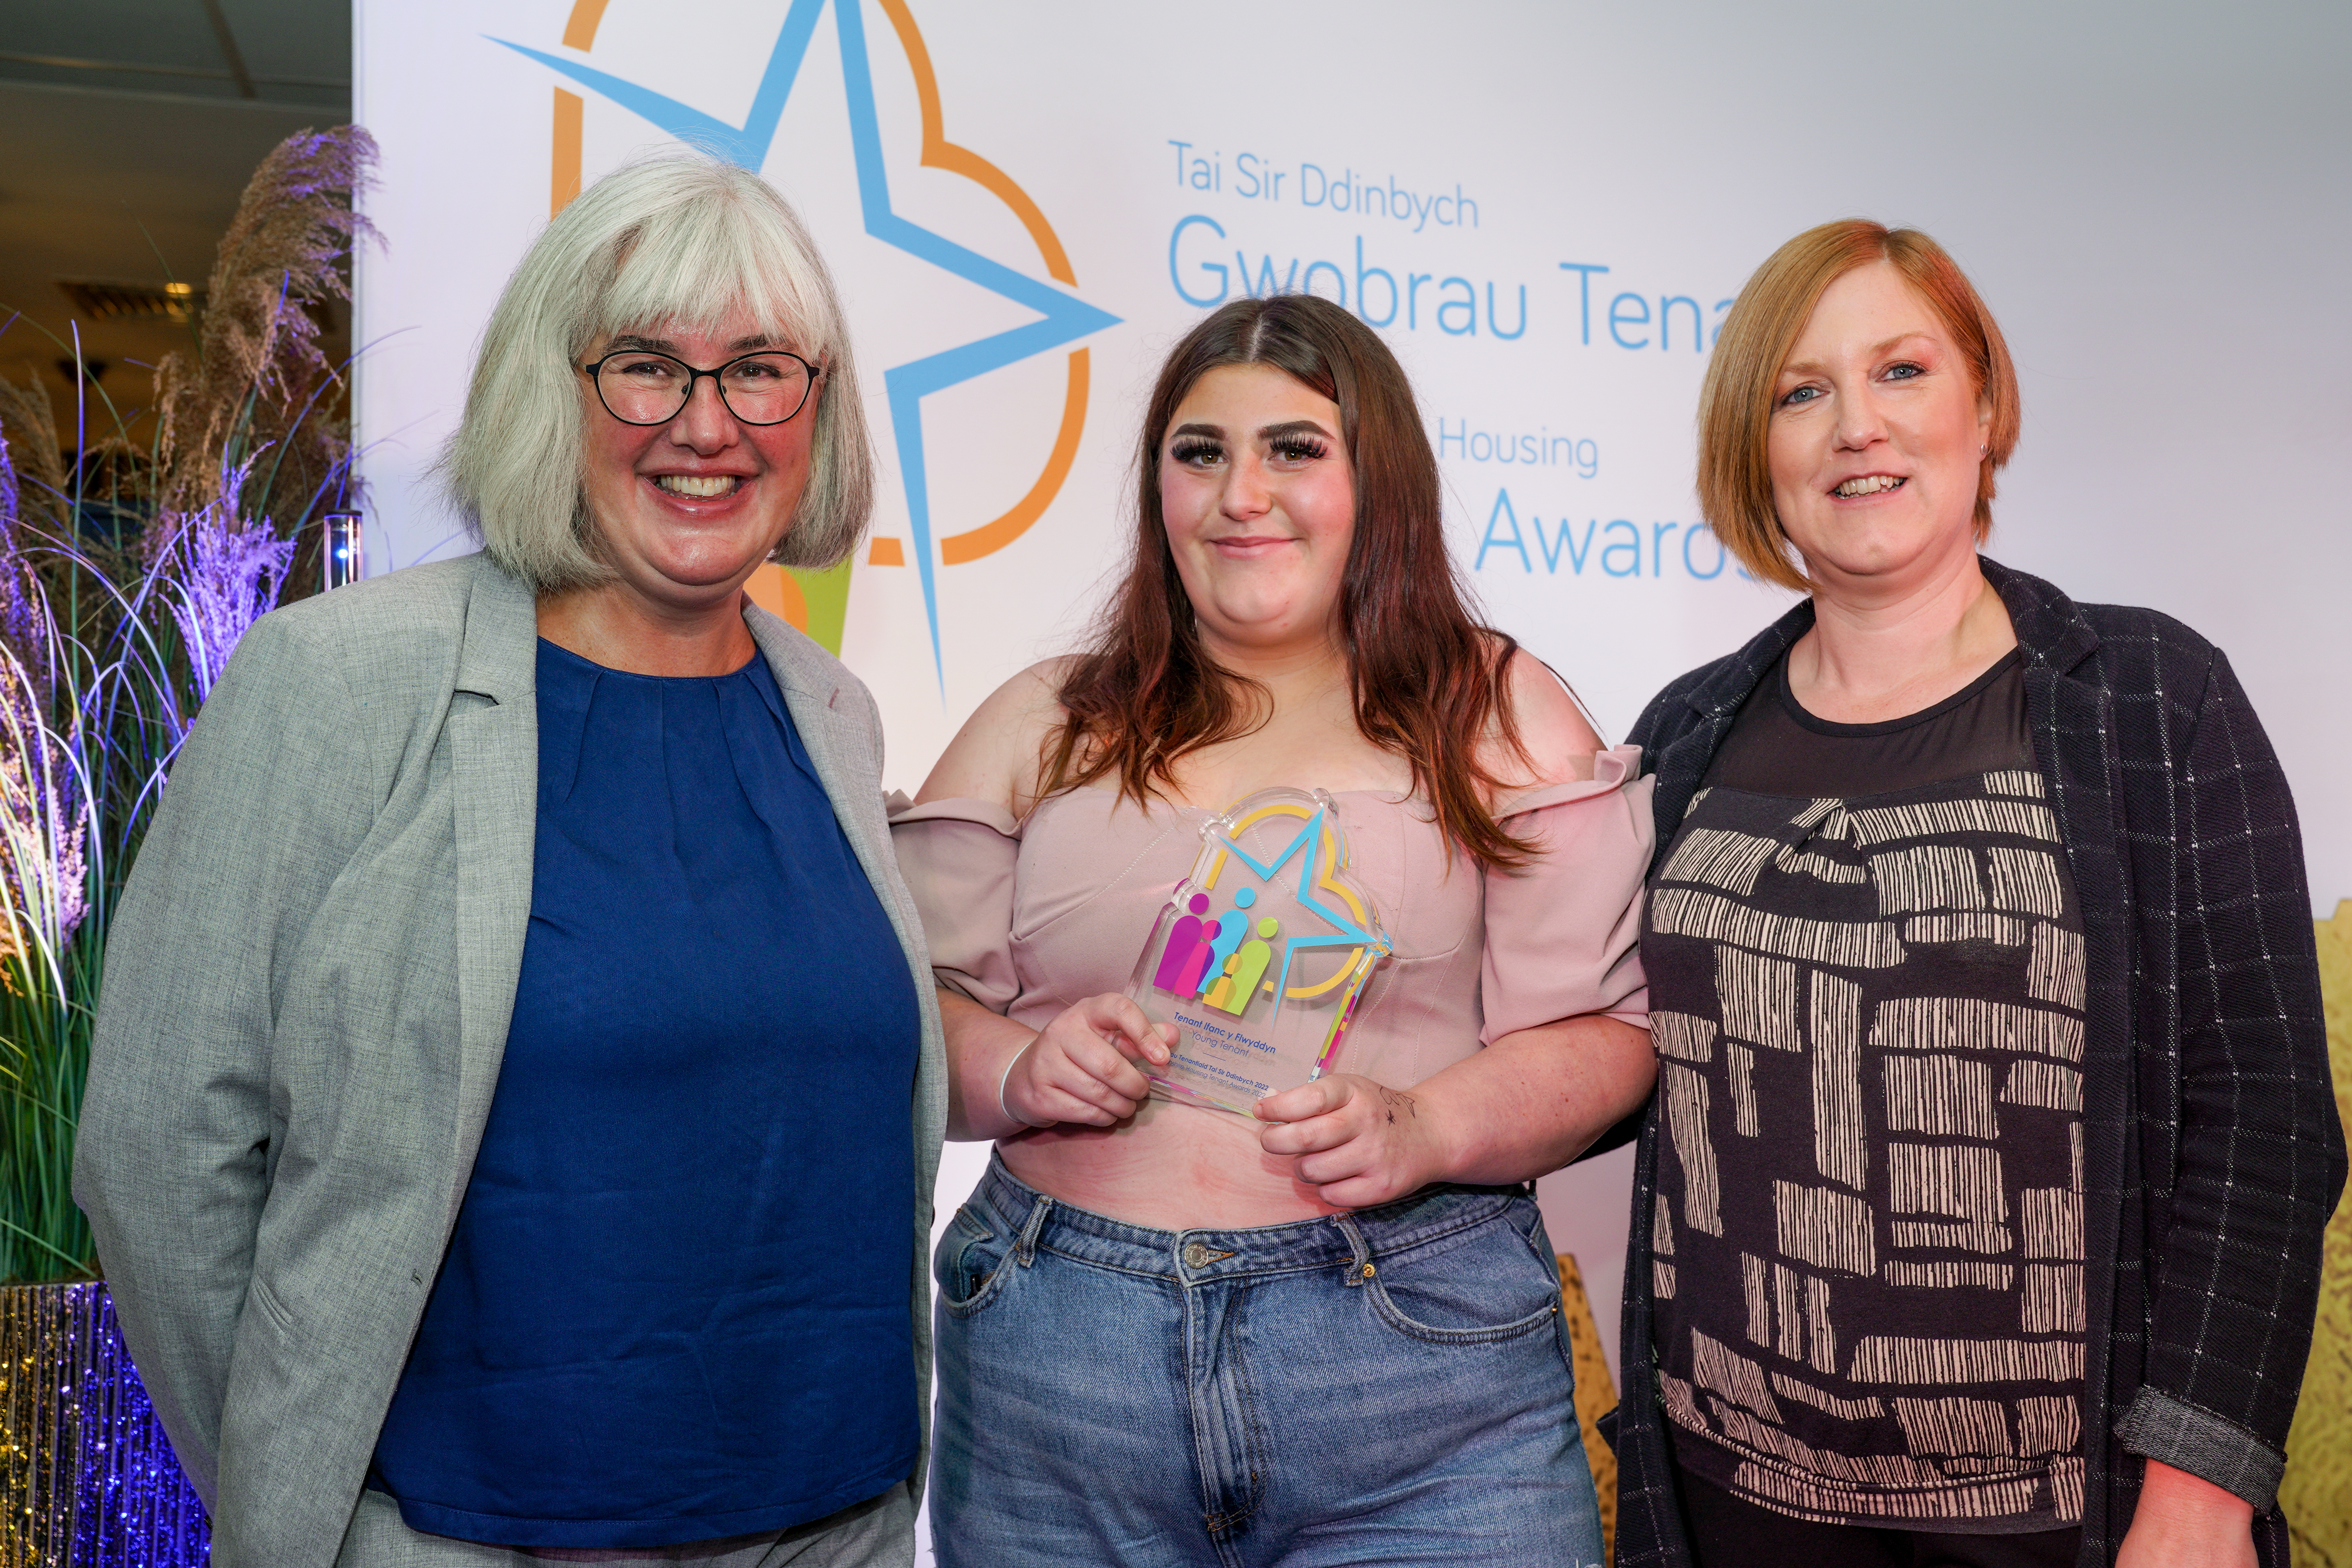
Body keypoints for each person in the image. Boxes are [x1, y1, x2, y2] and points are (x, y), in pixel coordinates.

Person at [74, 154, 945, 1568]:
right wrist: (298, 1494)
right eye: (647, 367)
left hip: (828, 1523)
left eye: (760, 371)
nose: (706, 424)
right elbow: (160, 1148)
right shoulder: (336, 682)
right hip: (471, 1537)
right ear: (556, 390)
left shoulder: (830, 710)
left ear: (819, 413)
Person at [1608, 220, 2344, 1568]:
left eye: (1900, 370)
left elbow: (2269, 1124)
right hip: (1730, 1504)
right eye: (1800, 390)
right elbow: (1620, 1055)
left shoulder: (2149, 701)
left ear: (1983, 404)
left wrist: (2196, 1493)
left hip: (2063, 1522)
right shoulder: (1686, 730)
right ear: (1752, 446)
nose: (1853, 426)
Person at [891, 292, 1656, 1567]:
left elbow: (1607, 1039)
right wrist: (1021, 1068)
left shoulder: (1499, 708)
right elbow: (910, 1026)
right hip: (1059, 1377)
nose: (1242, 491)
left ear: (1380, 481)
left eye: (1294, 448)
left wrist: (1429, 1125)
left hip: (1421, 1372)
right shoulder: (1042, 718)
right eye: (1200, 452)